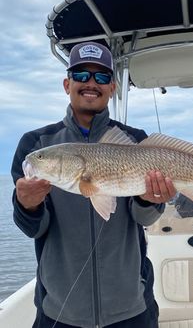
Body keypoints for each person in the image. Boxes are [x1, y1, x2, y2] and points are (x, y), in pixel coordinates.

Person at [11, 41, 176, 328]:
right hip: (61, 310)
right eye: (81, 75)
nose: (91, 83)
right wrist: (27, 204)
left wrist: (151, 199)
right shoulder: (36, 144)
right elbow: (33, 229)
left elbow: (143, 218)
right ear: (67, 84)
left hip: (131, 307)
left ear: (112, 88)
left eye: (101, 77)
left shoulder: (136, 140)